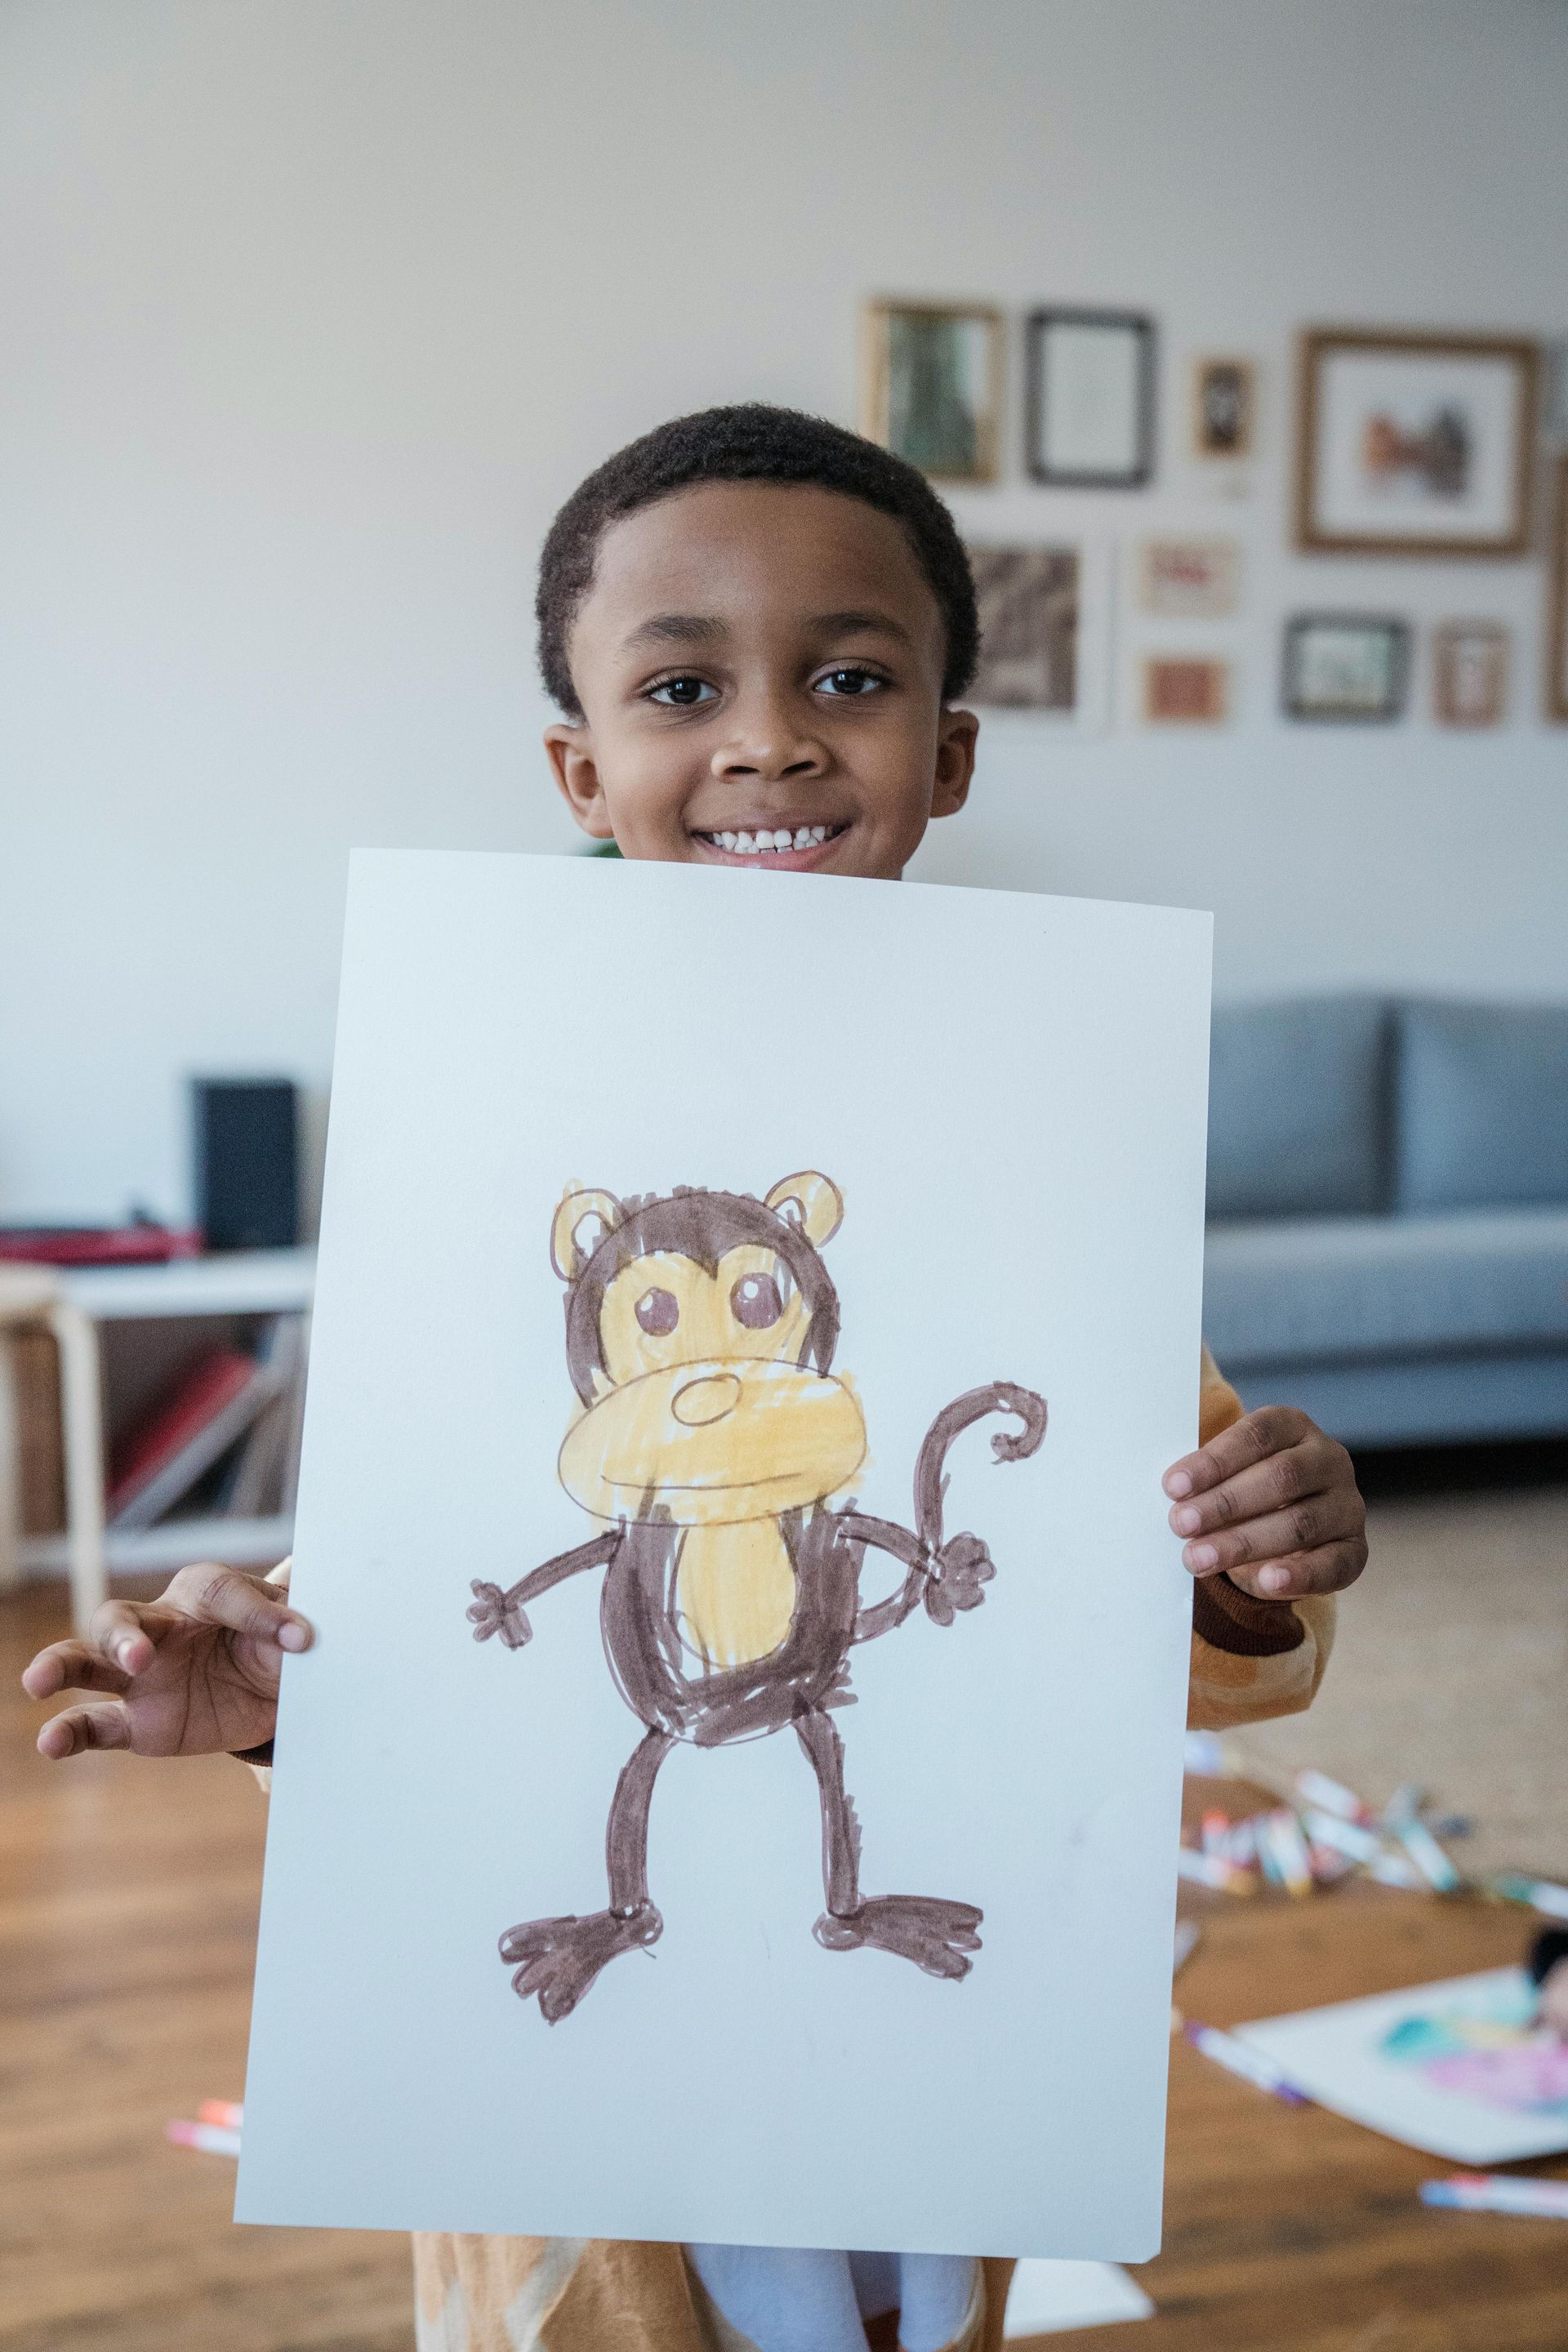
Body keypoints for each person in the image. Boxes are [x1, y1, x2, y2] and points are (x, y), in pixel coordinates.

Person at [22, 405, 1368, 2352]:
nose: (770, 738)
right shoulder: (482, 1143)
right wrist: (267, 1701)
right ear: (582, 765)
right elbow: (459, 1588)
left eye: (850, 675)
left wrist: (1257, 1554)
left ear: (951, 748)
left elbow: (1152, 1605)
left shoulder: (1048, 1172)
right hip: (578, 2136)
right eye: (681, 684)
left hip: (920, 2092)